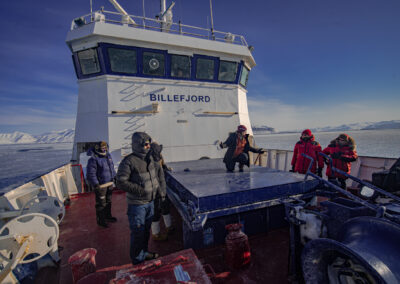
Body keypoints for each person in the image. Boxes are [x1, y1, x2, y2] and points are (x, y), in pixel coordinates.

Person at [116, 132, 164, 265]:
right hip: (137, 205)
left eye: (149, 144)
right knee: (138, 233)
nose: (148, 146)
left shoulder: (150, 159)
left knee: (146, 230)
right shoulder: (129, 161)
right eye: (146, 144)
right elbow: (120, 181)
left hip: (151, 202)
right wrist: (140, 190)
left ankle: (144, 253)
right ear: (138, 145)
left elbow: (156, 177)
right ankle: (137, 260)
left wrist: (160, 192)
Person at [86, 141, 117, 228]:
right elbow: (90, 174)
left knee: (108, 201)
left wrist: (115, 177)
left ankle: (108, 216)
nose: (104, 150)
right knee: (101, 204)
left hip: (109, 183)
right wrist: (96, 184)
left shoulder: (108, 156)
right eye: (102, 148)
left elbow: (112, 169)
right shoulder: (93, 160)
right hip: (101, 186)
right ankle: (101, 220)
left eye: (105, 148)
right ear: (97, 149)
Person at [148, 142, 175, 241]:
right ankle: (156, 233)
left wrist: (166, 167)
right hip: (155, 191)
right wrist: (161, 192)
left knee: (165, 206)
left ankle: (169, 226)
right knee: (155, 211)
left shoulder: (157, 158)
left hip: (162, 190)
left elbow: (162, 166)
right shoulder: (150, 163)